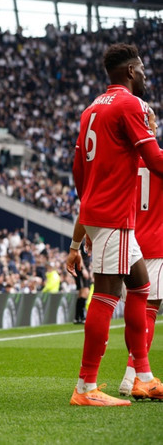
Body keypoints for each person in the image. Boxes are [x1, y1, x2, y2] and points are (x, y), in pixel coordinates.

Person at [66, 44, 163, 406]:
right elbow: (153, 158)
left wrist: (89, 209)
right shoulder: (131, 104)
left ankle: (143, 377)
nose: (145, 76)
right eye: (142, 70)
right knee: (106, 295)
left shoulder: (91, 109)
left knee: (140, 287)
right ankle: (85, 387)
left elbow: (78, 169)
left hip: (101, 212)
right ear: (130, 71)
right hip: (114, 214)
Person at [118, 157, 163, 396]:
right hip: (155, 242)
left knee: (134, 312)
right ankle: (132, 377)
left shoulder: (122, 157)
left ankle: (133, 376)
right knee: (149, 310)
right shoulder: (159, 158)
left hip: (126, 242)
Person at [73, 248, 91, 324]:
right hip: (80, 269)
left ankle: (77, 317)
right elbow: (78, 254)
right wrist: (83, 269)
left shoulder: (87, 243)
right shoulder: (81, 242)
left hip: (84, 268)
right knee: (85, 291)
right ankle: (82, 316)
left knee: (81, 293)